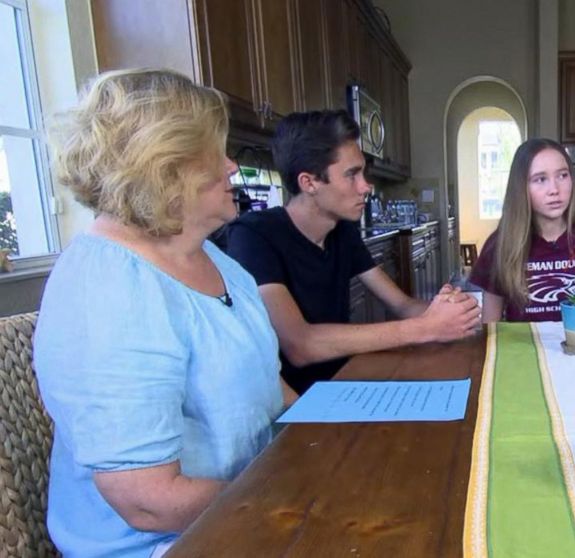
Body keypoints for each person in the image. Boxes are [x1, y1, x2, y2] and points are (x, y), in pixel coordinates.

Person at [34, 69, 291, 557]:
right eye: (215, 153)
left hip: (253, 507)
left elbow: (267, 384)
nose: (233, 166)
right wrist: (296, 497)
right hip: (169, 544)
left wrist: (330, 441)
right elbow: (150, 504)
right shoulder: (106, 292)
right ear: (165, 168)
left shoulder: (214, 259)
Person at [225, 110, 480, 395]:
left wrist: (451, 312)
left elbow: (402, 306)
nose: (366, 186)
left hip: (344, 384)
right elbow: (301, 344)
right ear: (308, 182)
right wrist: (426, 328)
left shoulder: (342, 232)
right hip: (290, 407)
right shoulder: (254, 235)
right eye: (351, 175)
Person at [470, 138, 575, 322]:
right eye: (540, 179)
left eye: (562, 175)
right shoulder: (499, 245)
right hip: (525, 350)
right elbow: (492, 329)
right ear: (521, 188)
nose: (554, 189)